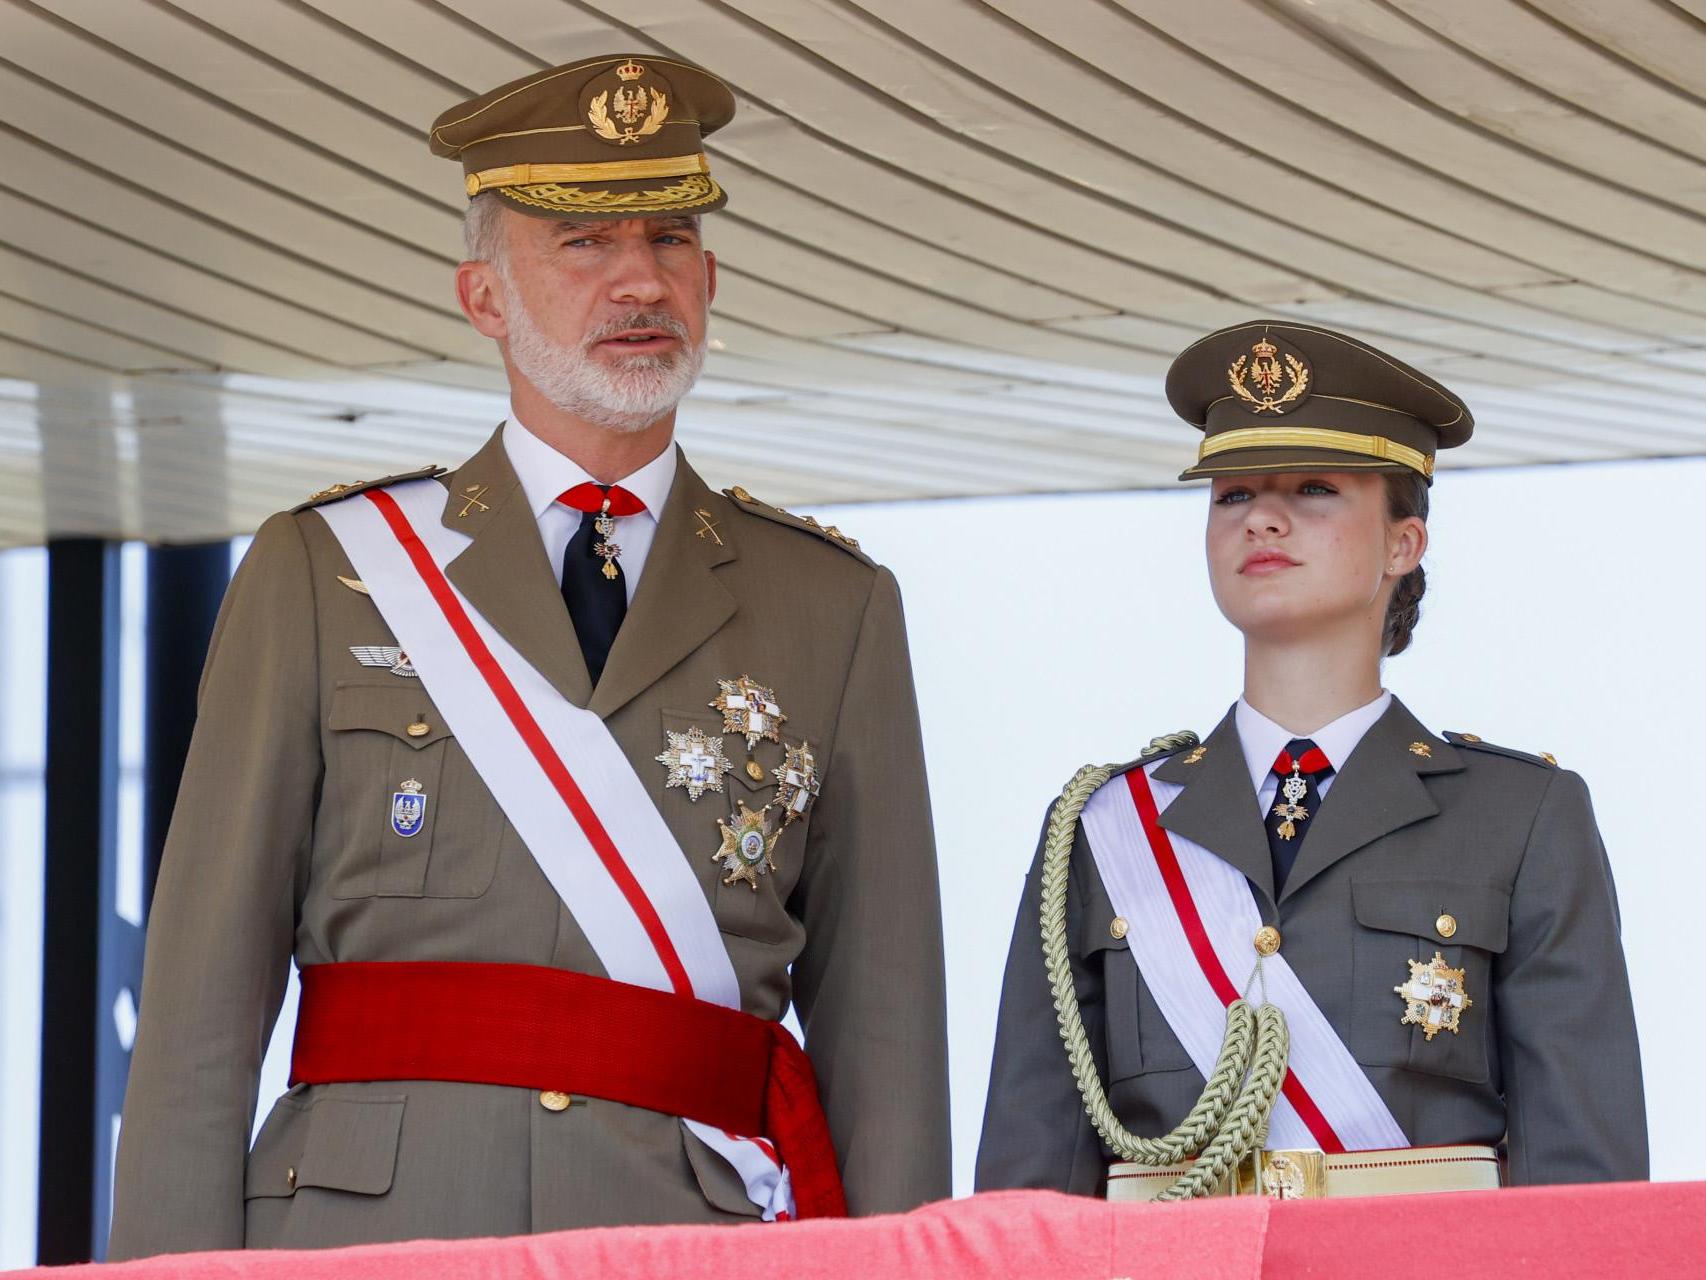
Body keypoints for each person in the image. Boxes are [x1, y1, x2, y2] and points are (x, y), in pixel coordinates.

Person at [109, 54, 949, 1258]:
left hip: (691, 1240)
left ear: (710, 280)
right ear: (482, 295)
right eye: (581, 242)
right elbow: (198, 1009)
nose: (638, 279)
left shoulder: (834, 603)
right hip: (367, 1237)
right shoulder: (320, 571)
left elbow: (886, 1038)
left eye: (668, 239)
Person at [975, 320, 1647, 1200]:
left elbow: (1582, 1184)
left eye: (1316, 488)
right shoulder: (1102, 829)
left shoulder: (1520, 819)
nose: (1263, 515)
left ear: (1403, 545)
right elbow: (1032, 1190)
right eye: (1232, 494)